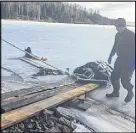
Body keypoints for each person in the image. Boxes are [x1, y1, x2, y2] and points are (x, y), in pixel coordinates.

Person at [106, 18, 135, 103]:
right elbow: (115, 46)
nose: (116, 28)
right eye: (116, 26)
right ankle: (115, 92)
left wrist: (133, 64)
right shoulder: (117, 35)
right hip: (120, 59)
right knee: (114, 76)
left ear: (123, 26)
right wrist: (111, 55)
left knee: (125, 81)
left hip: (130, 60)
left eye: (118, 26)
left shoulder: (132, 35)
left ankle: (130, 92)